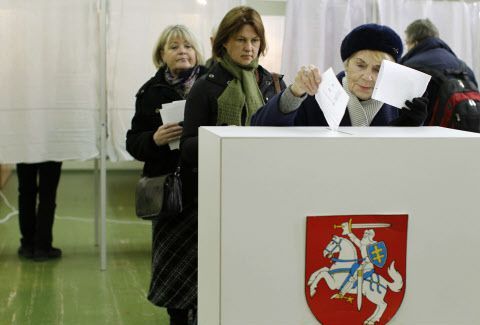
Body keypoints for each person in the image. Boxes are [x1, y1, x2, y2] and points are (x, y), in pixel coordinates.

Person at [179, 6, 286, 321]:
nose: (249, 47)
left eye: (254, 40)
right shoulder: (205, 86)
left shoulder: (273, 84)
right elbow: (187, 147)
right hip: (217, 197)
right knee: (219, 279)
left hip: (264, 194)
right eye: (240, 39)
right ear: (224, 42)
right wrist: (226, 137)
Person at [125, 24, 207, 325]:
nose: (182, 51)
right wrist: (154, 139)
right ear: (162, 55)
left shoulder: (213, 85)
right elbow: (133, 142)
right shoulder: (149, 92)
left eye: (187, 45)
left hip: (210, 189)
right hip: (172, 197)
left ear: (197, 51)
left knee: (210, 270)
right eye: (173, 47)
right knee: (176, 279)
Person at [251, 23, 428, 127]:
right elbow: (261, 127)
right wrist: (294, 93)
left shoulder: (402, 105)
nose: (368, 77)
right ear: (346, 64)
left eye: (378, 69)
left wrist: (411, 128)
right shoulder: (315, 96)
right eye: (360, 65)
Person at [399, 18, 478, 123]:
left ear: (415, 43)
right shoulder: (464, 68)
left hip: (429, 136)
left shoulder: (410, 67)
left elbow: (401, 113)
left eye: (407, 43)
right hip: (469, 134)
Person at [16, 161, 63, 261]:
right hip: (50, 149)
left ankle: (28, 244)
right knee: (48, 194)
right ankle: (43, 246)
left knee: (26, 192)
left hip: (24, 148)